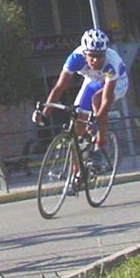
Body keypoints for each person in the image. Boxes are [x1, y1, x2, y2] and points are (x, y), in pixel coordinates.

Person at [37, 28, 128, 173]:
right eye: (92, 56)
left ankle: (99, 145)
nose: (96, 60)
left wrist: (96, 121)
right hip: (93, 81)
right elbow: (60, 87)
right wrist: (45, 113)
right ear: (84, 54)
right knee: (78, 118)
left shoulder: (111, 63)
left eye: (100, 56)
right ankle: (77, 172)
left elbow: (106, 99)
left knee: (97, 99)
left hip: (117, 83)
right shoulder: (75, 58)